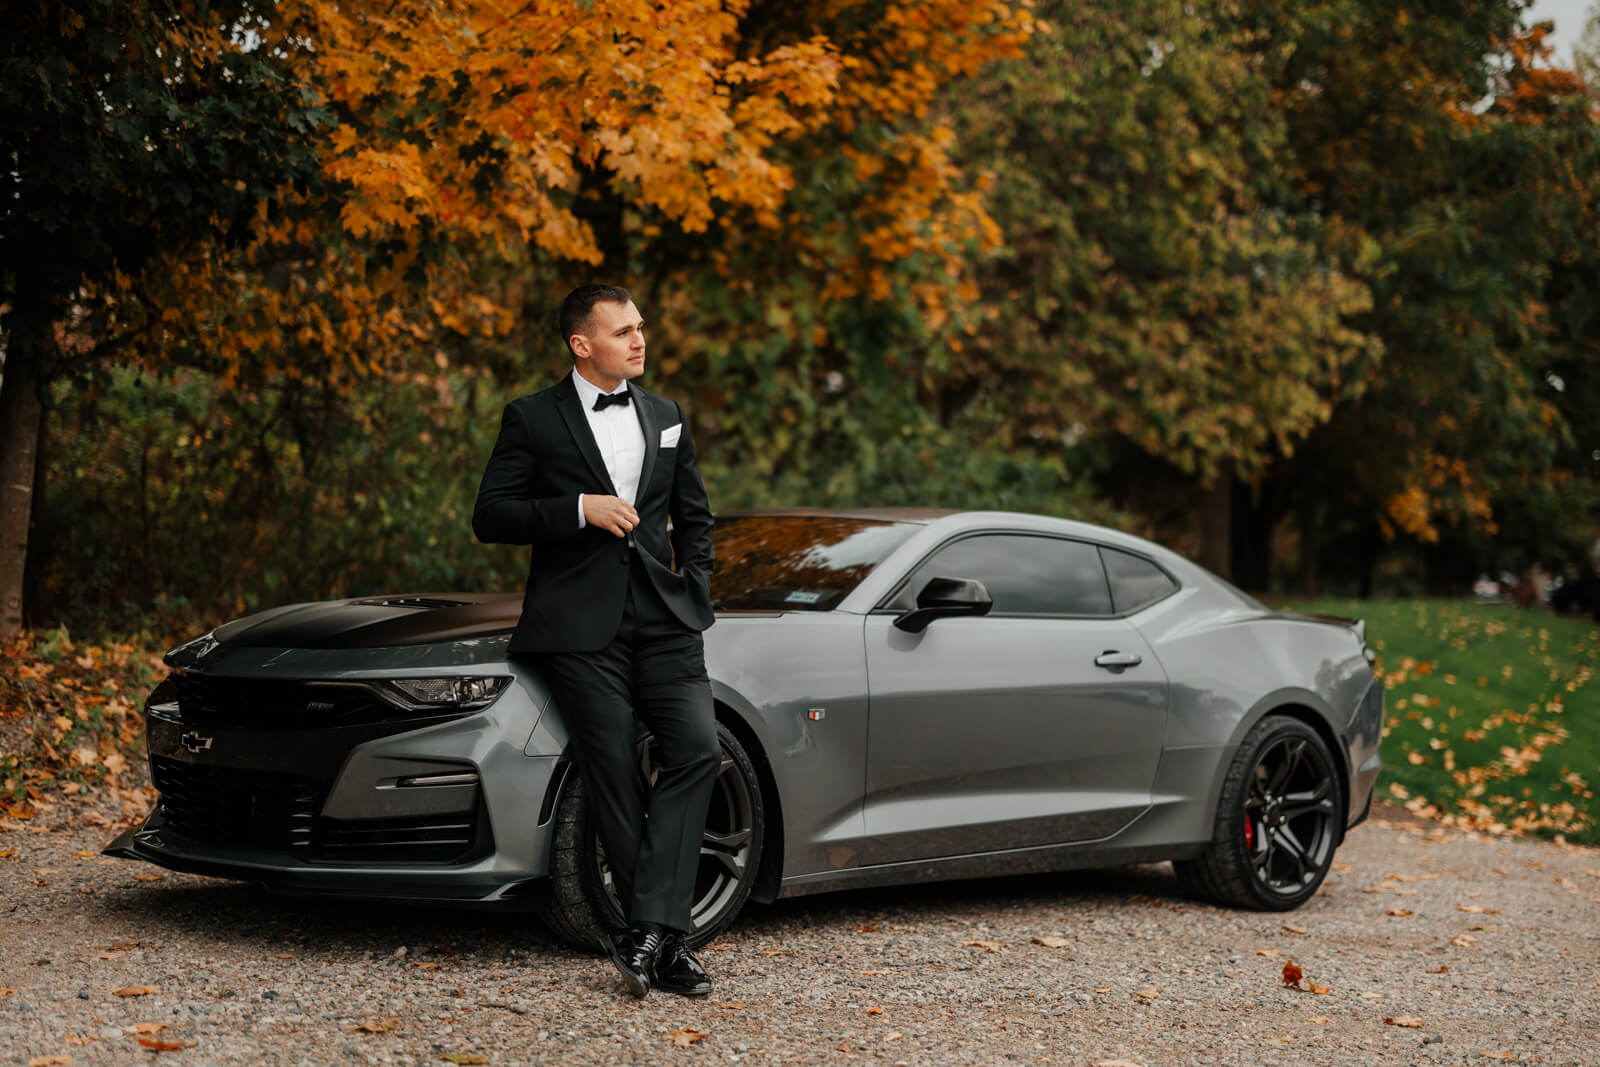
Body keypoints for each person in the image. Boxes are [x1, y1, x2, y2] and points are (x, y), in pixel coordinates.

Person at [472, 284, 719, 998]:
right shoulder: (531, 417)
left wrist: (695, 586)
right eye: (622, 331)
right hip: (580, 628)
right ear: (582, 345)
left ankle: (645, 933)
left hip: (667, 620)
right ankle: (669, 943)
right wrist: (579, 509)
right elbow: (491, 515)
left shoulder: (667, 414)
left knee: (697, 751)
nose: (640, 340)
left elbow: (695, 517)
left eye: (641, 327)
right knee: (611, 769)